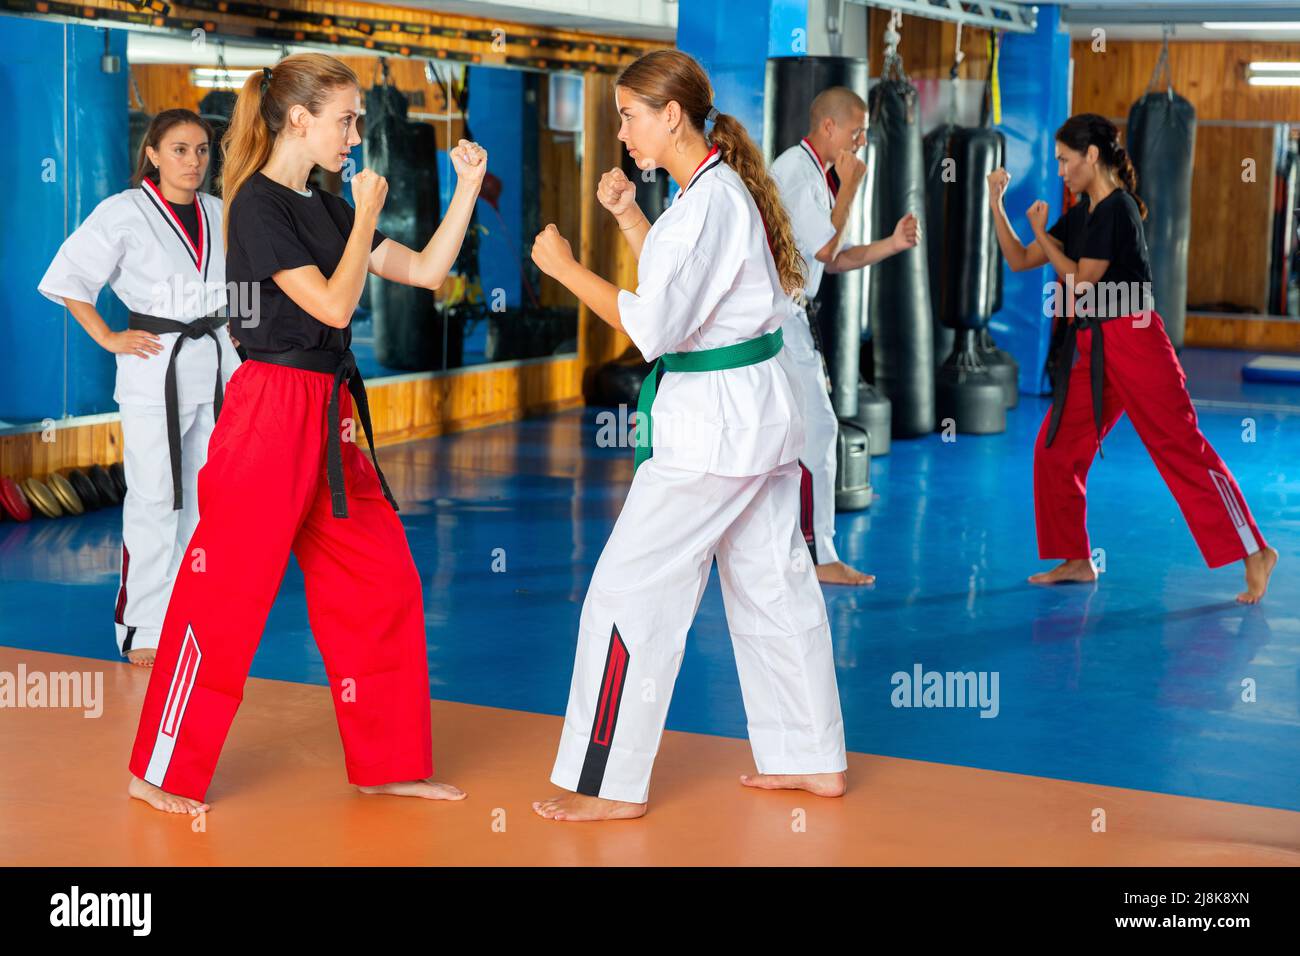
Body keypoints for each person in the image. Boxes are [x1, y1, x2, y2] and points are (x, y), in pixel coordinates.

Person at [126, 53, 486, 815]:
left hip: (331, 418)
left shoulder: (324, 207)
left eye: (359, 120)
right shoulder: (256, 205)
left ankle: (387, 761)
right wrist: (360, 219)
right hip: (267, 410)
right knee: (224, 596)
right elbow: (330, 305)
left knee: (381, 581)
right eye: (346, 120)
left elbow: (423, 270)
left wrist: (466, 191)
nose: (356, 134)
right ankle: (158, 768)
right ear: (299, 119)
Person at [529, 49, 847, 823]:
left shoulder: (708, 201)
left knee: (626, 591)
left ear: (671, 115)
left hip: (715, 430)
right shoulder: (711, 192)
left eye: (630, 116)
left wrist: (565, 268)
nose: (624, 133)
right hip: (760, 418)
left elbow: (655, 327)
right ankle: (812, 758)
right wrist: (633, 218)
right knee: (772, 582)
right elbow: (689, 290)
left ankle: (606, 784)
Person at [988, 112, 1277, 604]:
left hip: (1137, 341)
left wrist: (1039, 232)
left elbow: (1079, 281)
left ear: (1091, 156)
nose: (1060, 171)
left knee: (1179, 446)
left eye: (1064, 160)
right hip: (1091, 346)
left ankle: (1254, 549)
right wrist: (996, 204)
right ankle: (1076, 560)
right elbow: (1019, 260)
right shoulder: (1081, 214)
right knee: (1055, 448)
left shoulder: (1118, 209)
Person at [38, 109, 241, 667]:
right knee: (155, 497)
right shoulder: (124, 212)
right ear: (152, 153)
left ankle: (188, 613)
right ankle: (141, 625)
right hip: (156, 369)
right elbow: (69, 277)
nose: (193, 161)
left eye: (201, 150)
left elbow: (240, 289)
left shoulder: (219, 212)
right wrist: (107, 335)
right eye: (179, 149)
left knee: (205, 500)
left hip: (218, 367)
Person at [769, 86, 919, 586]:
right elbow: (830, 249)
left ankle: (786, 546)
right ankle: (819, 554)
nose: (860, 143)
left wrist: (893, 244)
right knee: (819, 430)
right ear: (828, 127)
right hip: (776, 321)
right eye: (855, 132)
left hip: (788, 317)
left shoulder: (814, 174)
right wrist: (852, 184)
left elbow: (838, 257)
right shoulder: (795, 171)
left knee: (792, 435)